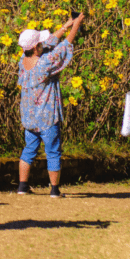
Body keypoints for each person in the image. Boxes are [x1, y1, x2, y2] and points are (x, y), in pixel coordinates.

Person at [16, 13, 84, 198]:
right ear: (36, 47)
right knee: (53, 151)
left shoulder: (23, 60)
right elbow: (63, 48)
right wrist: (76, 25)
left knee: (29, 149)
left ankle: (22, 186)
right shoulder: (44, 63)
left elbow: (50, 42)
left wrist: (65, 25)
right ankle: (54, 189)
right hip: (47, 116)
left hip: (29, 116)